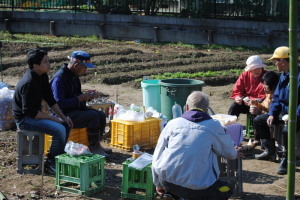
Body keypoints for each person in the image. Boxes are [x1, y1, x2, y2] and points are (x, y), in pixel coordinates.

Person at [152, 91, 243, 200]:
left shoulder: (173, 123)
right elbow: (230, 153)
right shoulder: (214, 126)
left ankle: (172, 195)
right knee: (227, 188)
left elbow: (157, 154)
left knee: (178, 188)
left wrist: (158, 183)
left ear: (186, 107)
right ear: (206, 109)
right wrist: (235, 152)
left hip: (167, 181)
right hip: (199, 188)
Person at [13, 48, 73, 174]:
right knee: (59, 129)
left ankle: (57, 158)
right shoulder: (28, 83)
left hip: (34, 115)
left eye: (48, 61)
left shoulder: (43, 76)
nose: (49, 64)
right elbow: (29, 112)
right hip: (25, 120)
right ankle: (51, 164)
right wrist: (52, 118)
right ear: (35, 66)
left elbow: (51, 100)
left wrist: (63, 117)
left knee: (65, 124)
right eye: (45, 62)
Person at [50, 51, 111, 157]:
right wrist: (79, 98)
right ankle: (93, 148)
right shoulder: (59, 79)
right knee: (92, 117)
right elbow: (59, 104)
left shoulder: (74, 77)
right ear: (76, 65)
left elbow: (77, 97)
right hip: (62, 115)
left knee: (100, 115)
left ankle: (96, 145)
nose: (85, 70)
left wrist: (87, 96)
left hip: (74, 110)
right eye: (84, 67)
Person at [266, 46, 300, 175]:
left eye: (276, 61)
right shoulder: (283, 76)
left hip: (297, 113)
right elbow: (277, 98)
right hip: (285, 111)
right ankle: (269, 150)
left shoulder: (298, 76)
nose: (274, 63)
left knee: (287, 130)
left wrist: (294, 116)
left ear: (283, 61)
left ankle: (286, 157)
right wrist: (272, 113)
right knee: (260, 120)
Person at [248, 71, 280, 161]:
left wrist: (259, 110)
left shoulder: (277, 94)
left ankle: (269, 151)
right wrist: (257, 104)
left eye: (265, 84)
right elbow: (265, 108)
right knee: (255, 114)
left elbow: (271, 110)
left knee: (259, 120)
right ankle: (261, 142)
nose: (263, 86)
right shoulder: (269, 94)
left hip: (278, 115)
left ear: (272, 84)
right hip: (271, 114)